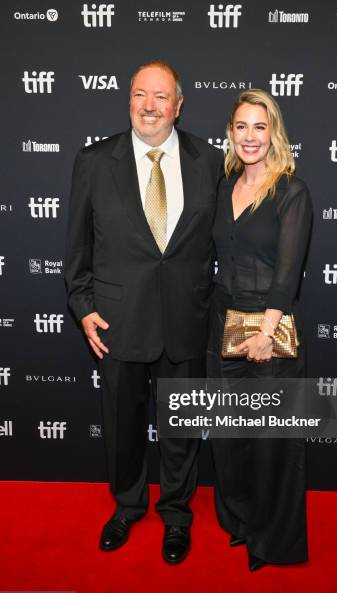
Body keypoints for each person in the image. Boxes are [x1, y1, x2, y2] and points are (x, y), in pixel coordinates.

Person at [65, 61, 223, 563]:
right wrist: (83, 307)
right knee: (122, 426)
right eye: (140, 94)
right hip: (117, 321)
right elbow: (77, 248)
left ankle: (177, 515)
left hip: (185, 319)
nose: (149, 106)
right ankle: (128, 506)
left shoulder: (209, 159)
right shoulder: (93, 160)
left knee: (180, 430)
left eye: (160, 97)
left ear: (179, 105)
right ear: (129, 100)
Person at [207, 89, 313, 571]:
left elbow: (288, 274)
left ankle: (274, 538)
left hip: (269, 335)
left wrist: (265, 334)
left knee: (272, 441)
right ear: (230, 133)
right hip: (222, 328)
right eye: (241, 127)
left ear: (274, 134)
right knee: (230, 437)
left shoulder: (291, 191)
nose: (250, 137)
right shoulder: (224, 182)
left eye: (259, 127)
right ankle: (242, 522)